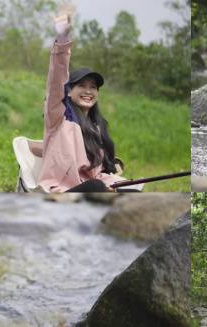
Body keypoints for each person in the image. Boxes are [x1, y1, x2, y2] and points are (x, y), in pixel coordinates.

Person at [38, 11, 127, 193]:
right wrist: (62, 38)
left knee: (129, 189)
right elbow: (56, 81)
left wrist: (118, 183)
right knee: (96, 187)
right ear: (69, 91)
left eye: (93, 87)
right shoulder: (58, 118)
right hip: (61, 192)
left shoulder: (97, 127)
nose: (88, 91)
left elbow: (96, 174)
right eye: (82, 86)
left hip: (89, 189)